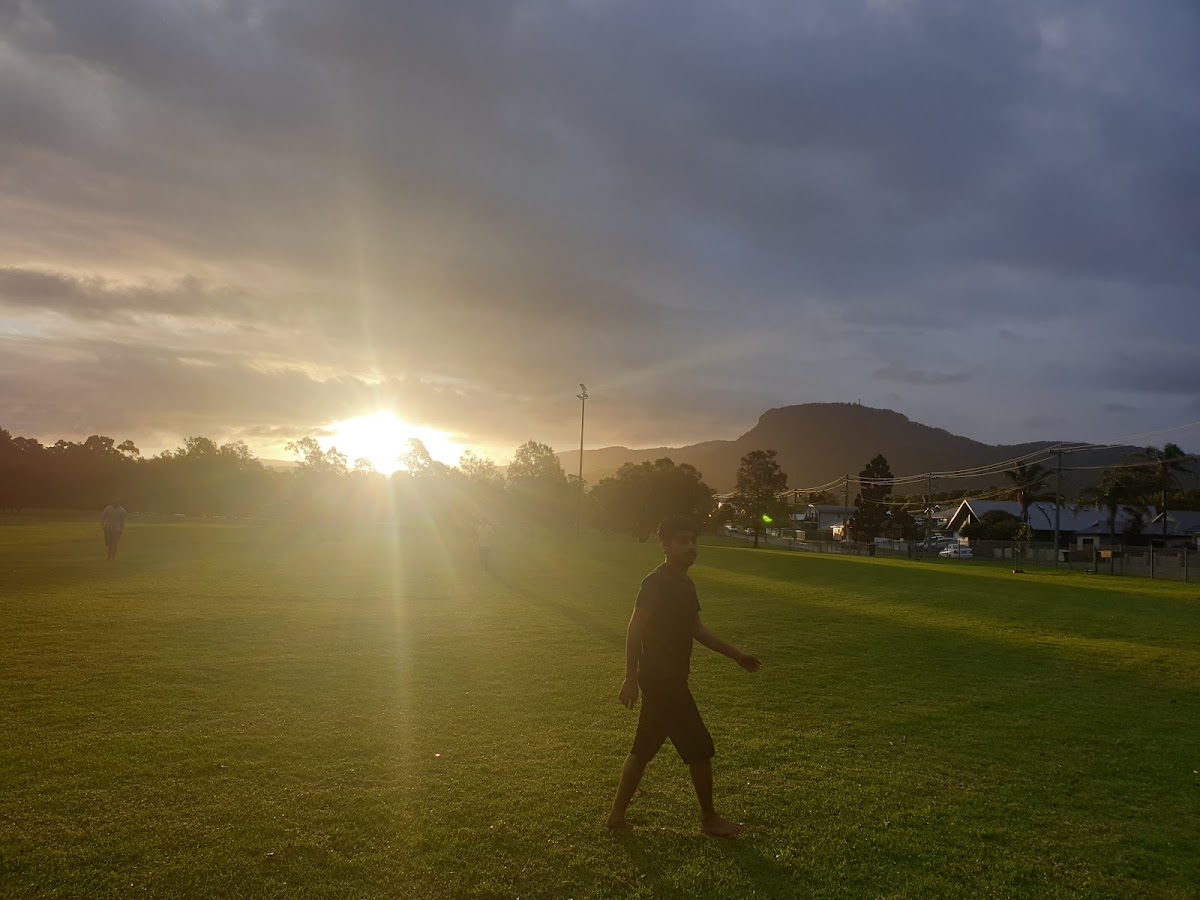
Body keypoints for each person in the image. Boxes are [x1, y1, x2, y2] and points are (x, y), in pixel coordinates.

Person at [606, 515, 762, 836]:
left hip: (671, 679)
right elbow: (634, 630)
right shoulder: (655, 584)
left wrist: (736, 655)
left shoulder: (685, 584)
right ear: (665, 546)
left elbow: (696, 630)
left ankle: (616, 816)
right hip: (661, 680)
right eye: (682, 541)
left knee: (644, 747)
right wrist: (630, 676)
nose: (690, 547)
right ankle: (709, 820)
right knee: (700, 747)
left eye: (693, 540)